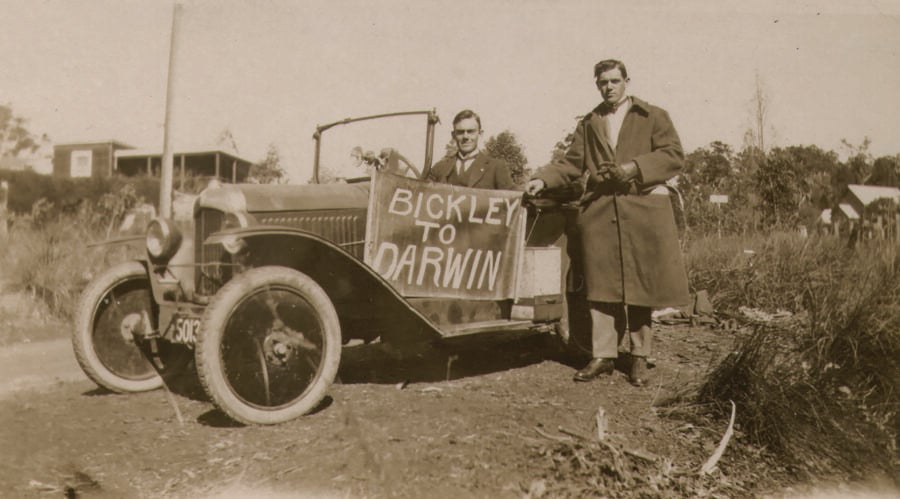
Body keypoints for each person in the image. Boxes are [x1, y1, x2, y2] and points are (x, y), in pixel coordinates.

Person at [525, 59, 690, 386]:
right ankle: (603, 355)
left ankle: (639, 358)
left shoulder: (653, 116)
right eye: (603, 82)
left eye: (615, 81)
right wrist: (542, 180)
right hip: (600, 211)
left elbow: (674, 155)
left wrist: (633, 168)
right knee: (602, 286)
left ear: (627, 81)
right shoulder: (590, 122)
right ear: (597, 85)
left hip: (641, 210)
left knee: (642, 286)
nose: (609, 87)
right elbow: (571, 163)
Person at [426, 109, 516, 190]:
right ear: (453, 135)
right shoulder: (439, 168)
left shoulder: (496, 167)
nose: (465, 136)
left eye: (471, 131)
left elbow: (513, 197)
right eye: (460, 132)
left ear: (480, 134)